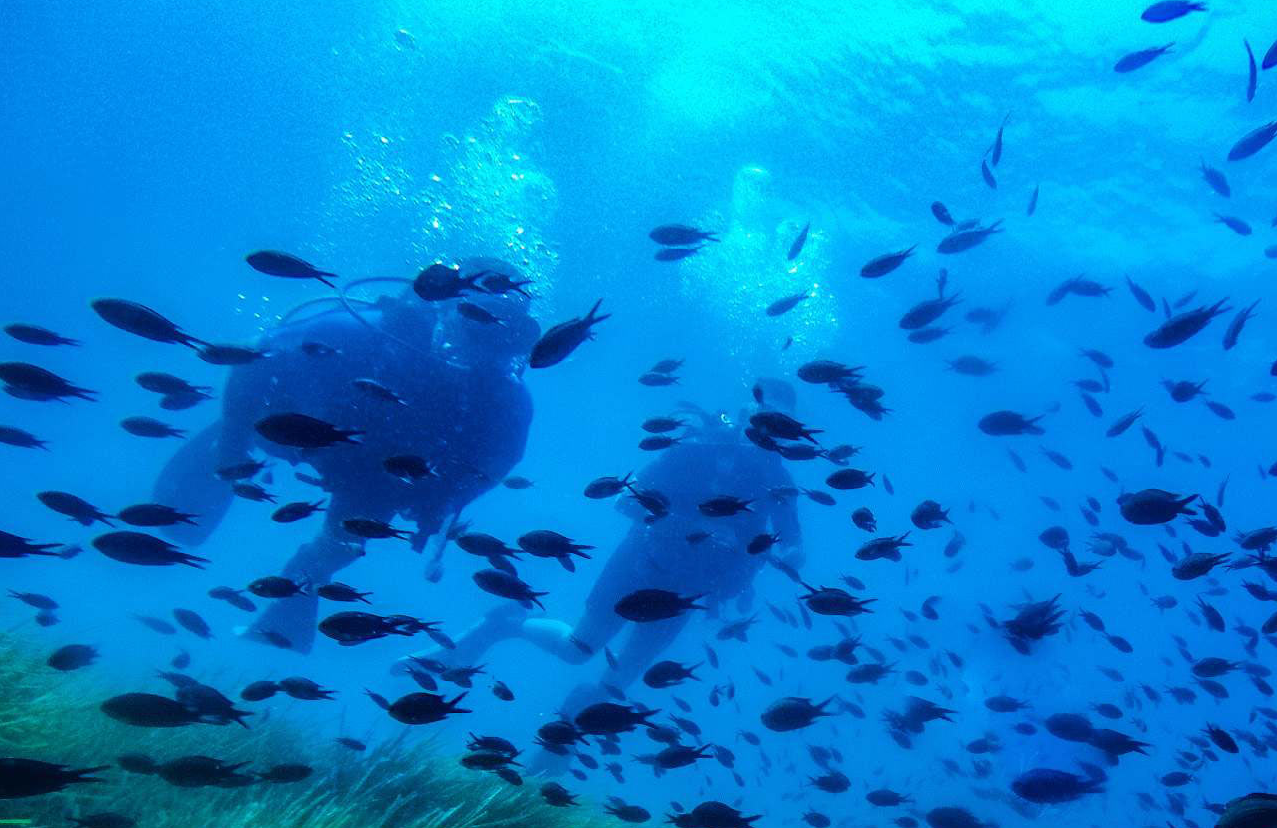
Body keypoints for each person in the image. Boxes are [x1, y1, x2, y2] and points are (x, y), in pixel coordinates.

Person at [150, 257, 539, 652]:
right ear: (447, 307)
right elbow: (255, 357)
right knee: (257, 436)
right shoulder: (358, 335)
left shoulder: (505, 403)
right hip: (290, 426)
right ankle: (206, 474)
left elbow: (497, 462)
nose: (485, 339)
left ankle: (296, 592)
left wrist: (440, 503)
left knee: (343, 541)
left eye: (504, 332)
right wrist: (233, 440)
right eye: (477, 318)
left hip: (375, 474)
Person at [433, 379, 801, 710]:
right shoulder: (695, 450)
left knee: (618, 683)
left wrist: (785, 558)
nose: (770, 430)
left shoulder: (777, 478)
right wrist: (680, 525)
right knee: (577, 650)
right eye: (764, 417)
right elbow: (625, 499)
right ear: (745, 414)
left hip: (691, 590)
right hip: (640, 564)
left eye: (781, 423)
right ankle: (504, 623)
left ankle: (564, 733)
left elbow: (792, 543)